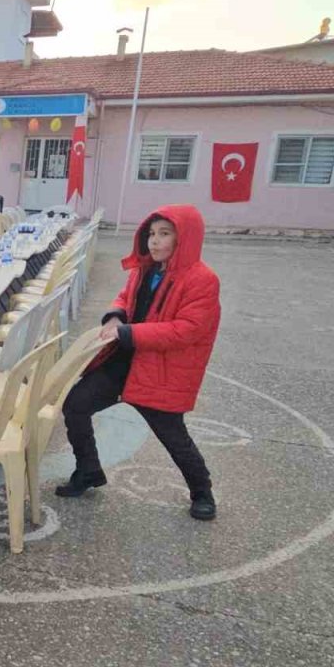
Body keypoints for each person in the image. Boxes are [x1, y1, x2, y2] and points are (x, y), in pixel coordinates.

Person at [56, 205, 221, 521]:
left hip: (159, 371)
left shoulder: (202, 280)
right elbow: (124, 298)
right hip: (124, 360)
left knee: (173, 436)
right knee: (76, 404)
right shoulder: (145, 269)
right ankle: (88, 470)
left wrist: (128, 332)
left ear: (184, 238)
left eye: (164, 234)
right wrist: (117, 315)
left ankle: (202, 491)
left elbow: (186, 330)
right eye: (151, 234)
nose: (154, 242)